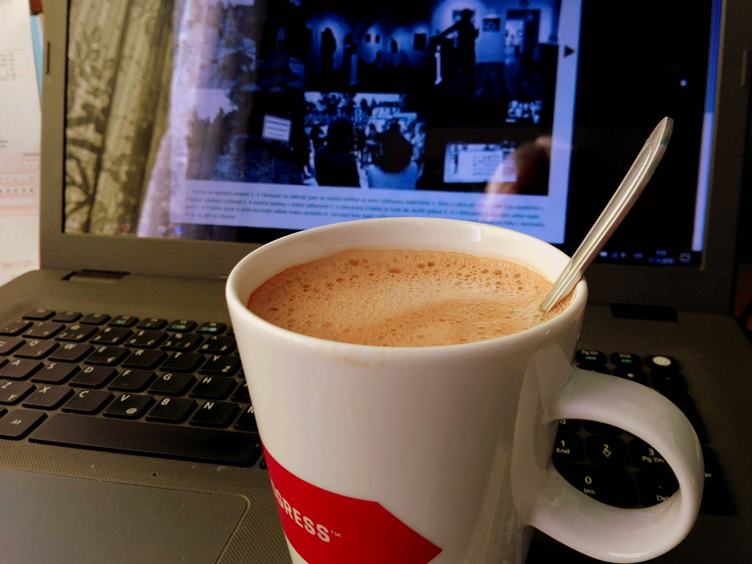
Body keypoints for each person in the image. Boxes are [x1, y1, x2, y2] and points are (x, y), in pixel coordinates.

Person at [314, 119, 360, 187]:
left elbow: (318, 177)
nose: (354, 137)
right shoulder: (347, 159)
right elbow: (355, 188)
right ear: (345, 136)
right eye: (351, 133)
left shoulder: (319, 152)